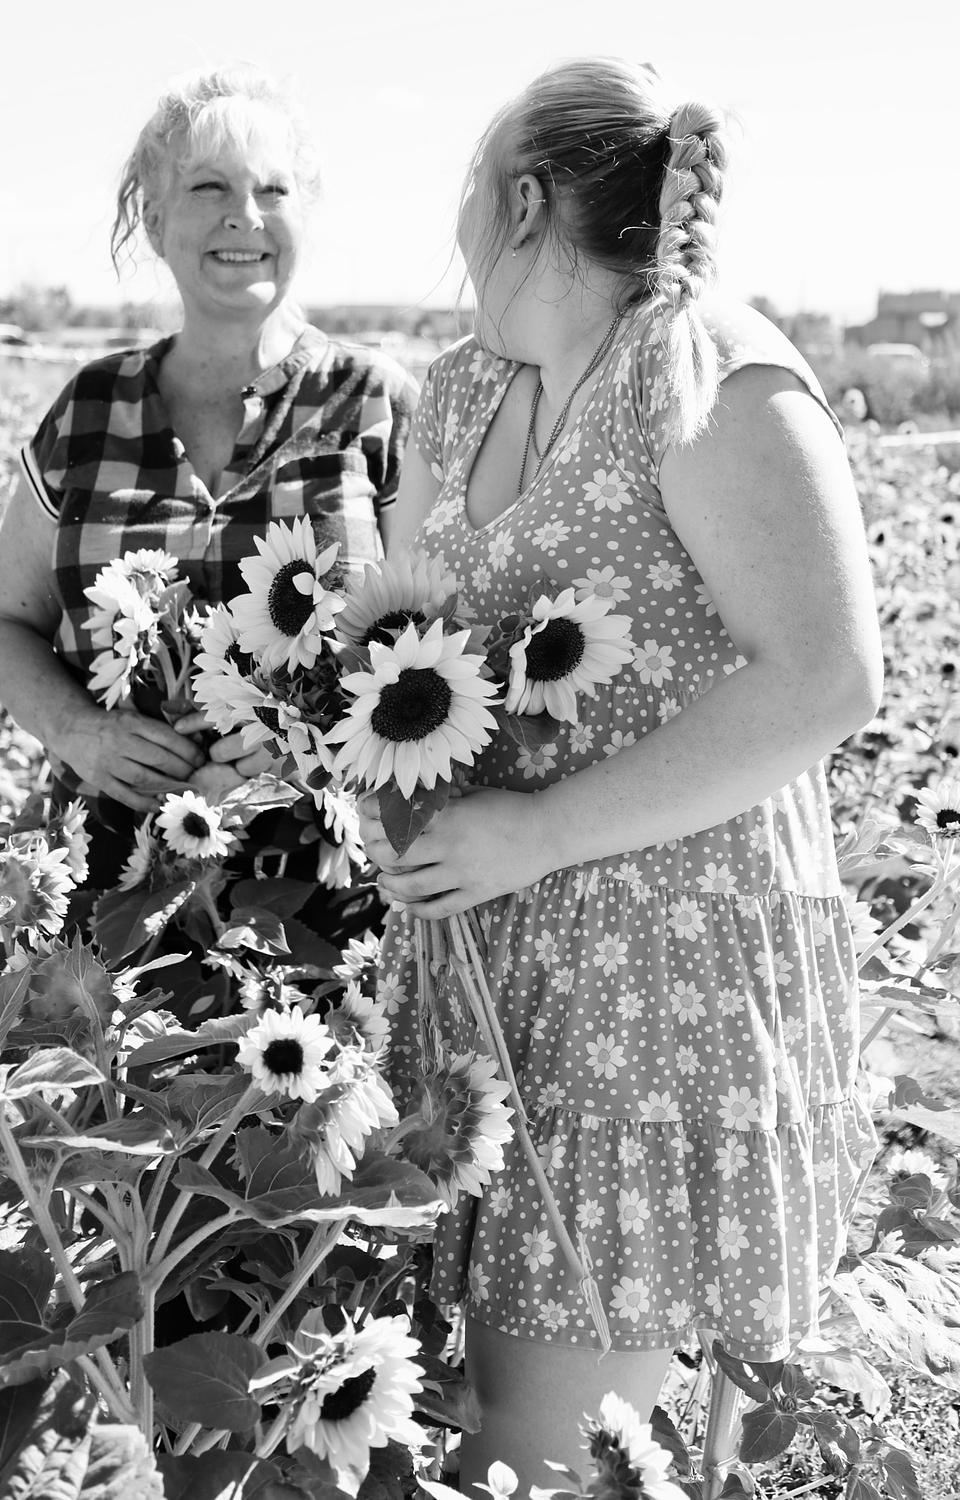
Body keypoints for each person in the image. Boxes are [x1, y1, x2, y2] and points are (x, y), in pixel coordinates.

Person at [358, 57, 883, 1489]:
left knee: (542, 1452)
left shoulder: (700, 369)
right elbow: (397, 644)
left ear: (525, 200)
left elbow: (826, 675)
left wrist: (540, 832)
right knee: (449, 1419)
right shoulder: (458, 395)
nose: (456, 226)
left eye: (471, 191)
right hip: (474, 960)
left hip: (649, 991)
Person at [0, 65, 417, 893]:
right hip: (104, 888)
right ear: (155, 221)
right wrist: (79, 731)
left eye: (273, 189)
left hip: (332, 892)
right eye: (209, 186)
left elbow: (438, 639)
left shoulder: (375, 402)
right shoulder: (88, 407)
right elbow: (7, 620)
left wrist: (302, 740)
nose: (245, 215)